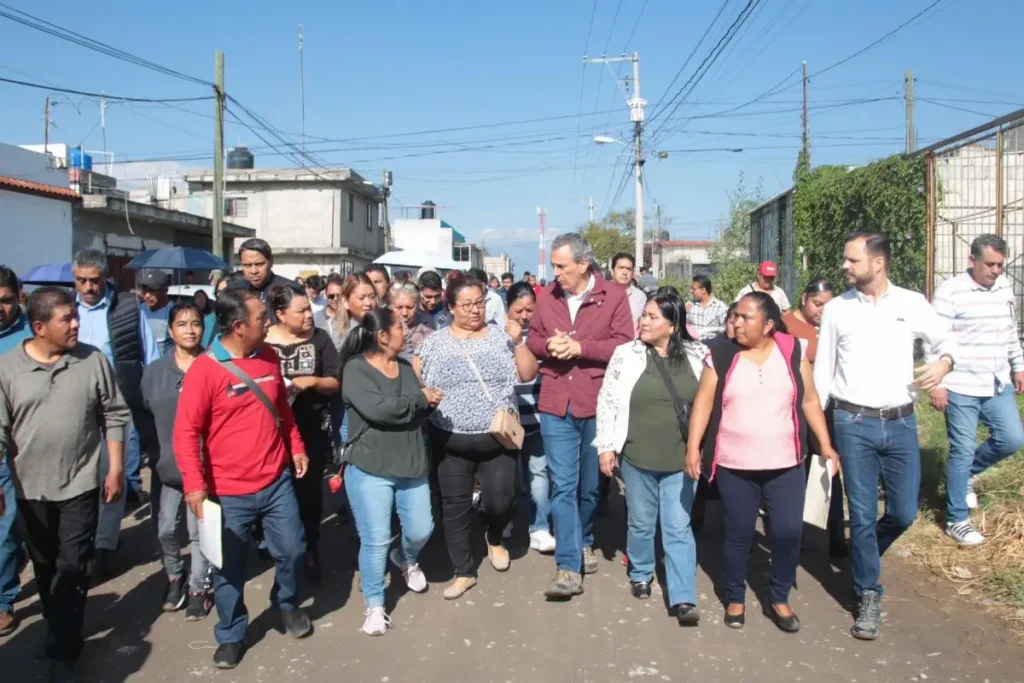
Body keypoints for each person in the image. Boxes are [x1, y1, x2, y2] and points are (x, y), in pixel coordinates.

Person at [814, 232, 957, 641]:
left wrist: (944, 363)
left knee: (904, 512)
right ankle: (868, 593)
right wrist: (820, 436)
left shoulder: (911, 303)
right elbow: (823, 374)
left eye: (852, 260)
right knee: (861, 515)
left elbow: (944, 342)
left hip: (901, 422)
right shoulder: (838, 310)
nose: (844, 266)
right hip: (852, 423)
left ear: (878, 264)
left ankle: (864, 555)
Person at [173, 288, 313, 670]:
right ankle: (232, 633)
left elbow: (282, 408)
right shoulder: (206, 370)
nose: (268, 322)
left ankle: (285, 604)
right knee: (228, 569)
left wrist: (295, 445)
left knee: (293, 550)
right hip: (227, 493)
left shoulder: (268, 357)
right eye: (260, 319)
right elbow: (185, 432)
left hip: (276, 482)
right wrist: (195, 484)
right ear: (238, 326)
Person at [686, 292, 837, 633]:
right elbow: (703, 403)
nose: (736, 323)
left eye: (745, 318)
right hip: (734, 464)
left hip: (785, 463)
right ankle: (736, 597)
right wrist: (694, 448)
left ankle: (779, 596)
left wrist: (825, 445)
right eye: (734, 316)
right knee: (739, 533)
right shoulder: (721, 354)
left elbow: (811, 400)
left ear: (769, 325)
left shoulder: (792, 350)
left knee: (787, 532)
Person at [0, 287, 130, 681]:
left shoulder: (92, 360)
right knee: (44, 566)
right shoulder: (7, 369)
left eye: (75, 317)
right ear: (39, 327)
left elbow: (115, 414)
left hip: (81, 483)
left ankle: (64, 650)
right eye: (66, 319)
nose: (76, 324)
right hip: (30, 489)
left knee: (73, 567)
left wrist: (116, 467)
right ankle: (57, 630)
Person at [415, 275, 538, 600]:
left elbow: (527, 373)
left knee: (501, 500)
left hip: (497, 437)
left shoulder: (501, 335)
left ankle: (494, 538)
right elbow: (415, 373)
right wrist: (424, 392)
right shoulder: (435, 342)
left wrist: (520, 342)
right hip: (450, 439)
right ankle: (464, 571)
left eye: (480, 303)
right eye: (467, 305)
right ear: (451, 307)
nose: (475, 310)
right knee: (454, 507)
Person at [527, 233, 635, 599]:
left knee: (590, 487)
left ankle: (584, 537)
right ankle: (568, 565)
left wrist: (580, 347)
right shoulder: (547, 296)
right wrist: (549, 346)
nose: (555, 273)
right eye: (554, 265)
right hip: (556, 399)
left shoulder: (613, 296)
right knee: (562, 484)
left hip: (597, 400)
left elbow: (625, 345)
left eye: (562, 266)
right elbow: (534, 339)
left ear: (583, 264)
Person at [595, 291, 707, 624]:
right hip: (637, 456)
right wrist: (606, 445)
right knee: (642, 523)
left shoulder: (699, 354)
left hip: (682, 460)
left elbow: (710, 403)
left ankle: (683, 595)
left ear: (673, 326)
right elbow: (608, 400)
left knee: (677, 526)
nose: (643, 321)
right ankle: (641, 571)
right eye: (643, 315)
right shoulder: (625, 354)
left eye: (652, 317)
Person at [341, 308, 441, 635]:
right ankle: (375, 604)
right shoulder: (355, 370)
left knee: (422, 528)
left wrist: (426, 401)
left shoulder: (404, 368)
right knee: (375, 539)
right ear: (383, 336)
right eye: (399, 327)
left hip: (411, 462)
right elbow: (379, 410)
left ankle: (406, 558)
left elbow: (412, 409)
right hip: (370, 467)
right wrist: (420, 400)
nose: (406, 331)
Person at [930, 234, 1024, 546]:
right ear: (972, 261)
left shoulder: (1004, 288)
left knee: (1012, 438)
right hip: (960, 384)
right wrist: (938, 383)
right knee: (962, 448)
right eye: (990, 264)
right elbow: (935, 339)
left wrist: (1018, 365)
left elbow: (1011, 330)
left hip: (997, 381)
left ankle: (966, 474)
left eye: (1001, 264)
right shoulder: (950, 291)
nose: (996, 270)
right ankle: (957, 519)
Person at [72, 248, 160, 576]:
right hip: (76, 408)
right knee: (81, 480)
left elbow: (148, 354)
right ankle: (81, 537)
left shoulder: (127, 307)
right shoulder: (66, 309)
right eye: (81, 281)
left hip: (118, 405)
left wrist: (149, 398)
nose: (88, 287)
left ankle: (104, 545)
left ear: (105, 278)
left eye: (94, 281)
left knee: (113, 474)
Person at [138, 303, 213, 620]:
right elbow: (144, 413)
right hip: (166, 466)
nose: (190, 329)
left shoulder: (213, 365)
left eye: (196, 323)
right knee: (166, 530)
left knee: (198, 534)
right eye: (182, 324)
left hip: (203, 467)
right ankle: (174, 576)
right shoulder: (155, 372)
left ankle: (199, 587)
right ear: (170, 331)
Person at [266, 284, 341, 581]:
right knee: (272, 493)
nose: (309, 315)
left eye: (309, 309)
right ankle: (279, 551)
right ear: (281, 315)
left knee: (308, 494)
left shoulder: (320, 339)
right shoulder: (263, 340)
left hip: (311, 429)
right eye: (301, 311)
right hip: (269, 432)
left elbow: (336, 381)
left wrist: (312, 382)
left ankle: (310, 548)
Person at [781, 278, 845, 557]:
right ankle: (794, 534)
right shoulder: (785, 323)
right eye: (818, 304)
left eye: (828, 306)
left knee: (829, 465)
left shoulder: (832, 325)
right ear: (804, 298)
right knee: (798, 468)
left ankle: (836, 537)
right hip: (793, 405)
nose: (822, 310)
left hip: (826, 404)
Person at [506, 282, 554, 553]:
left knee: (538, 472)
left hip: (537, 415)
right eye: (518, 310)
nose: (524, 316)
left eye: (529, 310)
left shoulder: (542, 335)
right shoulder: (496, 335)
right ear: (507, 309)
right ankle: (503, 523)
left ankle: (540, 526)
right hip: (507, 419)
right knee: (506, 478)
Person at [0, 266, 31, 639]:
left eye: (5, 301)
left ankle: (3, 600)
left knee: (6, 528)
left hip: (21, 448)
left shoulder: (31, 336)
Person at [225, 238, 297, 305]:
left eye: (259, 264)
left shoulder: (292, 291)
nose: (254, 271)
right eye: (247, 265)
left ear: (271, 262)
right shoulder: (232, 292)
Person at [388, 281, 435, 362]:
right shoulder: (383, 332)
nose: (404, 313)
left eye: (409, 307)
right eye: (399, 307)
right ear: (390, 306)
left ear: (416, 307)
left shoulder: (430, 336)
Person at [610, 252, 648, 331]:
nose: (624, 273)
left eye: (628, 269)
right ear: (612, 271)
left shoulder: (640, 297)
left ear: (632, 273)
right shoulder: (600, 294)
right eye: (620, 268)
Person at [687, 275, 728, 342]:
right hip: (694, 345)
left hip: (712, 345)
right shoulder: (690, 305)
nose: (691, 291)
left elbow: (725, 328)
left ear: (703, 290)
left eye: (694, 289)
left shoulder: (720, 307)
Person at [139, 270, 173, 347]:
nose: (147, 295)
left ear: (165, 290)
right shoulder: (138, 310)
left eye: (152, 290)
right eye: (144, 290)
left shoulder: (175, 313)